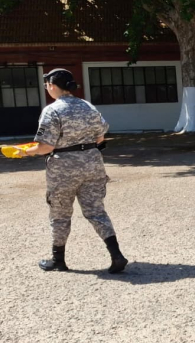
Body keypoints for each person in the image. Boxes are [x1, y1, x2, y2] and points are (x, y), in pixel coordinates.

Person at [20, 69, 127, 274]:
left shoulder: (52, 110)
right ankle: (117, 255)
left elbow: (45, 147)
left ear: (52, 85)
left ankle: (58, 260)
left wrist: (22, 152)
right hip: (92, 164)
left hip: (63, 169)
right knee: (96, 211)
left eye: (47, 85)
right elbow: (100, 136)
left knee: (60, 214)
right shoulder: (88, 106)